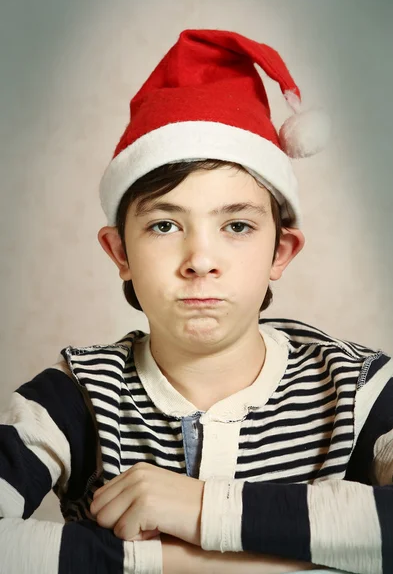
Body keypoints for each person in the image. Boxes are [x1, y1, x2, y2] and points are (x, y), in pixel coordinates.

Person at [0, 29, 391, 574]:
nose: (200, 260)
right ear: (120, 252)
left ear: (282, 250)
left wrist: (202, 507)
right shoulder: (75, 396)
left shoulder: (357, 387)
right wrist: (186, 563)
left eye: (236, 225)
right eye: (164, 225)